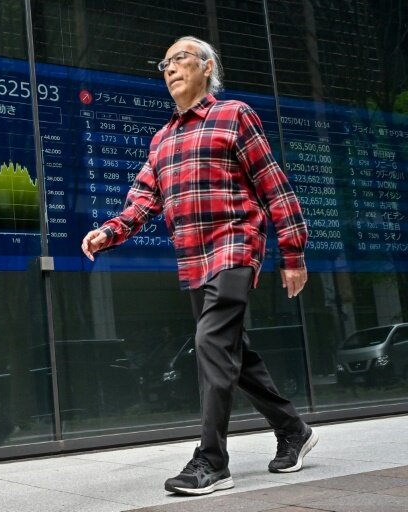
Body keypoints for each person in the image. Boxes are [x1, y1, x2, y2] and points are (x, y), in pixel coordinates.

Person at [81, 36, 317, 496]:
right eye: (164, 62)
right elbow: (142, 202)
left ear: (207, 67)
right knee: (232, 353)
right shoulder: (162, 139)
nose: (169, 68)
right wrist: (108, 232)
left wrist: (293, 253)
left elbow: (275, 185)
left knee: (210, 340)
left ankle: (211, 460)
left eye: (180, 59)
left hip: (234, 246)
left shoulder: (234, 116)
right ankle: (294, 429)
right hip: (193, 258)